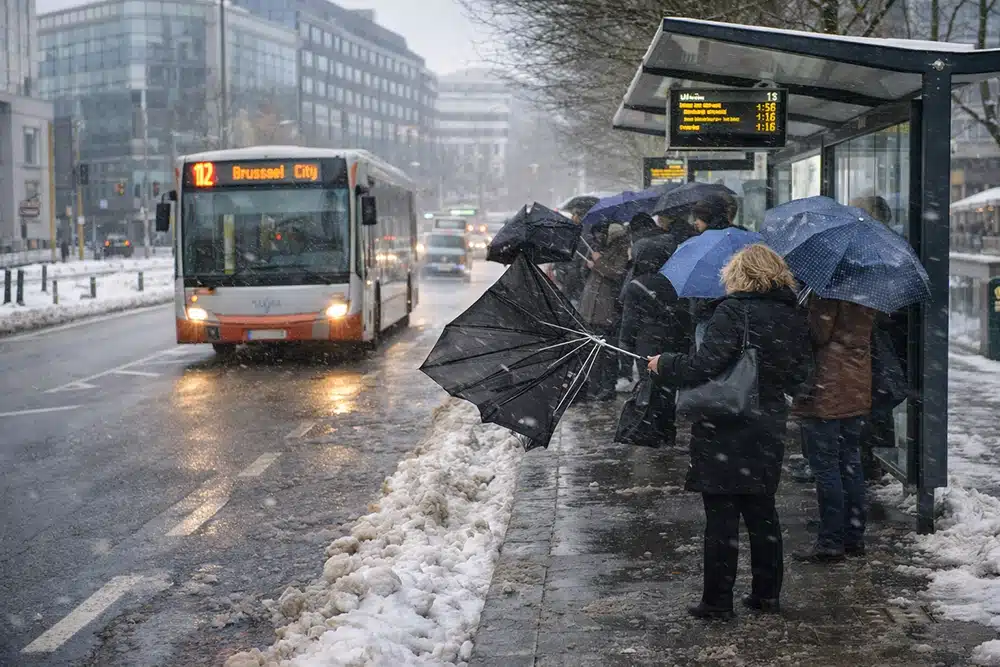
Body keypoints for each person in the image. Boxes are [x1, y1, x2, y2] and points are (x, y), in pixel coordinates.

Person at [648, 244, 812, 619]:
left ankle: (717, 601)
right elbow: (802, 372)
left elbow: (704, 365)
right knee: (762, 513)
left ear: (739, 275)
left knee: (721, 518)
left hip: (726, 424)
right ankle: (766, 594)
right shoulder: (794, 314)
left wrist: (665, 364)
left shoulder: (733, 311)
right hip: (768, 421)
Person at [792, 295, 876, 562]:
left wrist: (804, 313)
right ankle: (853, 536)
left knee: (826, 466)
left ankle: (830, 540)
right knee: (850, 461)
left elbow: (818, 334)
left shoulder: (827, 294)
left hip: (828, 387)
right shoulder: (865, 294)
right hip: (855, 382)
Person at [619, 234, 691, 445]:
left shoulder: (636, 285)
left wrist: (626, 342)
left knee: (649, 384)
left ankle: (652, 428)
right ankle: (668, 427)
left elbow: (630, 320)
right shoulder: (676, 281)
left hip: (647, 340)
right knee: (670, 386)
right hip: (674, 339)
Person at [579, 222, 629, 400]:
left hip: (608, 308)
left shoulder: (622, 249)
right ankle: (593, 387)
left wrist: (598, 262)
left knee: (607, 351)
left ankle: (607, 388)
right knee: (592, 350)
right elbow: (585, 275)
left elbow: (618, 273)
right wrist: (588, 264)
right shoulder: (597, 247)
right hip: (591, 306)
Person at [552, 204, 591, 306]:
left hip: (574, 272)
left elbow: (579, 253)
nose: (573, 217)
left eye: (575, 215)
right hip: (569, 270)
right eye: (573, 214)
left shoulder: (584, 232)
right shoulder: (573, 229)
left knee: (570, 298)